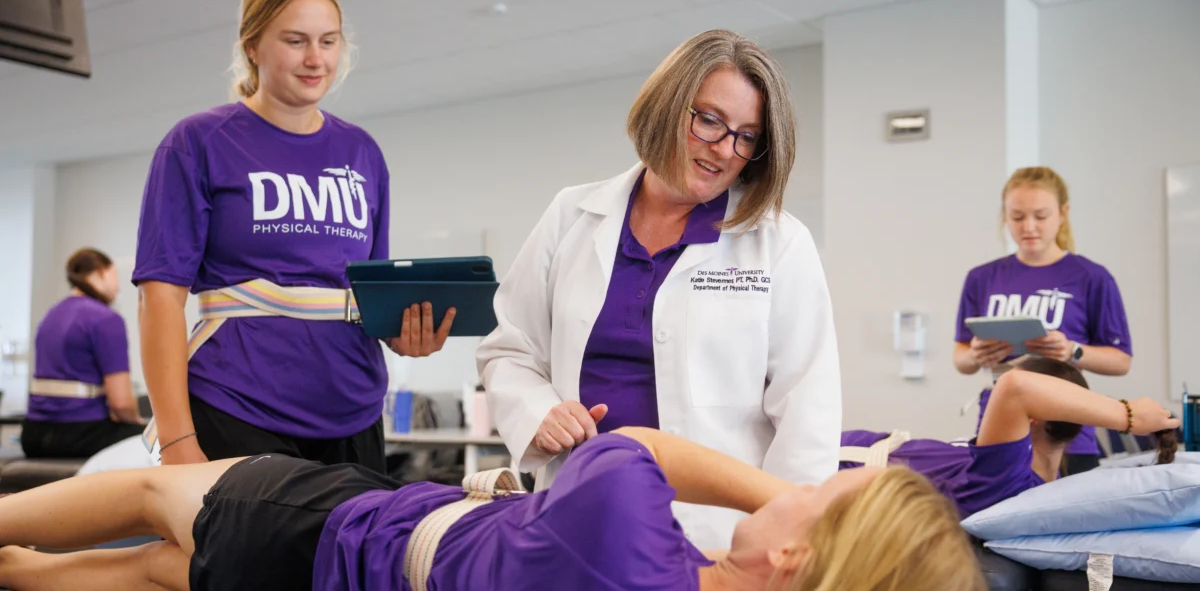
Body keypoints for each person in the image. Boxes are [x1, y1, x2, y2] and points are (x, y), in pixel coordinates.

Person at [476, 29, 842, 549]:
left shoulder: (779, 242)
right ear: (670, 106)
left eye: (746, 136)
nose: (724, 149)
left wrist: (787, 536)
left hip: (717, 532)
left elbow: (808, 407)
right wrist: (538, 414)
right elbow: (510, 348)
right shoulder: (572, 215)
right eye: (710, 120)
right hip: (579, 512)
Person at [133, 0, 452, 471]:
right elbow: (159, 301)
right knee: (237, 552)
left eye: (328, 41)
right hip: (236, 402)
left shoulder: (361, 152)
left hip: (352, 409)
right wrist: (176, 442)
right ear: (253, 46)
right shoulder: (198, 143)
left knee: (345, 553)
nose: (315, 59)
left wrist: (406, 332)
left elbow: (369, 292)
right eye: (295, 40)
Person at [0, 429, 982, 591]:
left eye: (817, 492)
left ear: (799, 558)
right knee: (147, 572)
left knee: (151, 495)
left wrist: (768, 493)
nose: (794, 483)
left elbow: (635, 447)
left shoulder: (629, 538)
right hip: (309, 578)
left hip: (323, 526)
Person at [953, 166, 1134, 474]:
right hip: (999, 428)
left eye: (1040, 215)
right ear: (1005, 216)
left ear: (1063, 213)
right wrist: (975, 355)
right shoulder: (981, 278)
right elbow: (961, 358)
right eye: (1018, 217)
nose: (1029, 227)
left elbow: (1121, 361)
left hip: (1067, 432)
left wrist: (1072, 351)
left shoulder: (1091, 277)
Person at [841, 357, 1178, 519]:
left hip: (831, 467)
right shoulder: (1045, 479)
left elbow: (1014, 387)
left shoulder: (1006, 477)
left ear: (1032, 414)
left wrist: (1126, 415)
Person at [22, 249, 144, 458]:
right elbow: (121, 403)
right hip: (79, 435)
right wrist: (139, 422)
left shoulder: (50, 316)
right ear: (99, 273)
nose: (118, 288)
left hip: (32, 435)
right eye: (114, 277)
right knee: (157, 439)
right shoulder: (106, 319)